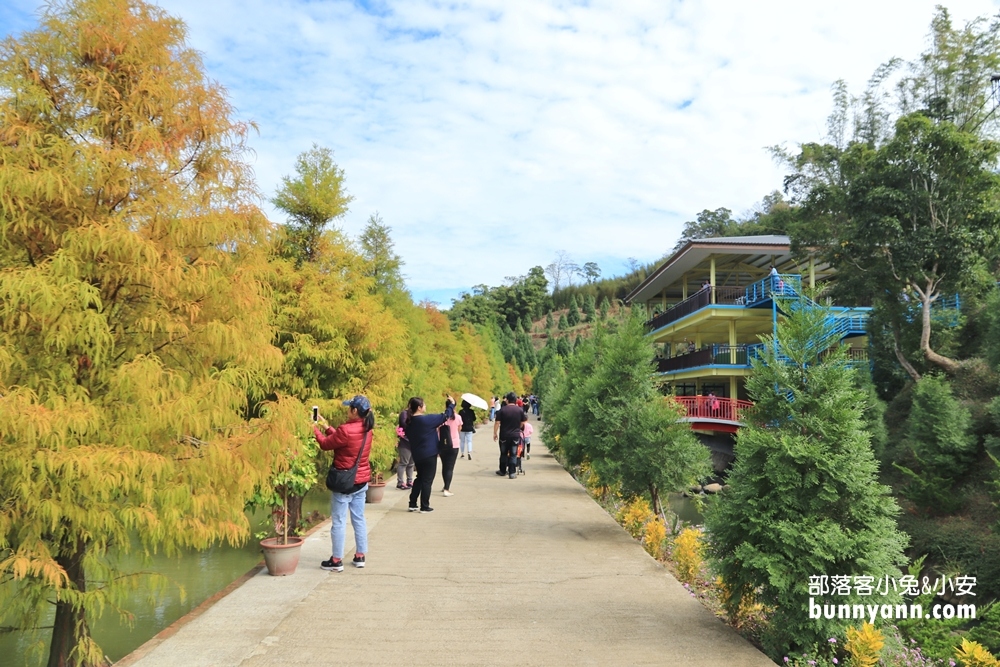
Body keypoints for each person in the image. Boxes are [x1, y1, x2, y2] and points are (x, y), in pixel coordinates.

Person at [313, 395, 375, 572]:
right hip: (361, 481)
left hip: (344, 482)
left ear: (355, 411)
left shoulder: (346, 429)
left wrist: (314, 430)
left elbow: (326, 445)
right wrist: (326, 427)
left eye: (349, 408)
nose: (347, 410)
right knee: (359, 518)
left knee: (339, 521)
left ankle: (336, 560)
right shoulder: (368, 428)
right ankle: (360, 556)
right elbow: (342, 441)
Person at [403, 396, 455, 513]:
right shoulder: (426, 420)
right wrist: (452, 404)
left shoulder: (410, 422)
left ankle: (412, 503)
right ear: (420, 408)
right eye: (424, 405)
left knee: (420, 478)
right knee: (427, 480)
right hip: (429, 454)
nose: (425, 406)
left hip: (417, 455)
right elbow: (445, 416)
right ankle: (424, 506)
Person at [494, 391, 524, 479]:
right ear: (515, 400)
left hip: (504, 435)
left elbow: (497, 422)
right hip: (515, 435)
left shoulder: (502, 410)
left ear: (507, 400)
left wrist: (495, 433)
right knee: (513, 454)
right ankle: (512, 473)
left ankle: (502, 471)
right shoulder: (519, 410)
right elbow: (523, 422)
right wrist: (518, 428)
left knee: (503, 453)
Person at [439, 401, 461, 496]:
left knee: (444, 466)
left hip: (443, 444)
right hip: (454, 444)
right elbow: (459, 428)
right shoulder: (458, 417)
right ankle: (447, 489)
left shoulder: (442, 417)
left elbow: (437, 429)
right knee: (450, 467)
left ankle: (445, 486)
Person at [395, 408, 414, 490]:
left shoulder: (416, 414)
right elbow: (404, 425)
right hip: (405, 442)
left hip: (413, 442)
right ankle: (400, 482)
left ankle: (409, 481)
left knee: (411, 463)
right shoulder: (404, 414)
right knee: (403, 463)